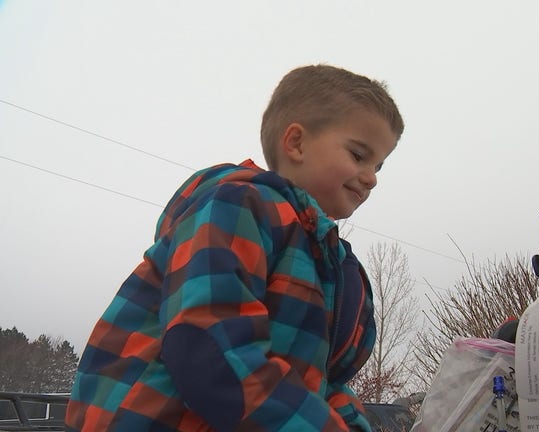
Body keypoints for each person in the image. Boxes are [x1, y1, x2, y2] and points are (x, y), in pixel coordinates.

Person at [64, 64, 405, 432]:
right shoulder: (240, 205)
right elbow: (207, 341)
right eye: (358, 155)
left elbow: (323, 383)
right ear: (296, 143)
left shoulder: (334, 267)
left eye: (378, 166)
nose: (371, 178)